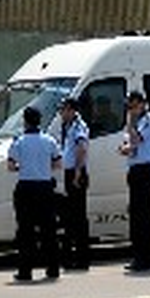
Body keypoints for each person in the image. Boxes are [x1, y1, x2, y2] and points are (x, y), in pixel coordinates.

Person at [7, 105, 61, 282]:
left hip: (26, 186)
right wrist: (43, 166)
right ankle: (53, 268)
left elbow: (11, 166)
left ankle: (25, 270)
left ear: (25, 122)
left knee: (25, 230)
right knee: (49, 229)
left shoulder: (19, 141)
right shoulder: (49, 140)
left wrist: (23, 166)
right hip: (45, 187)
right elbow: (57, 164)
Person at [119, 90, 150, 273]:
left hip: (145, 169)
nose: (132, 110)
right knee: (139, 213)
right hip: (135, 169)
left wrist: (130, 123)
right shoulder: (135, 122)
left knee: (141, 214)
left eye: (134, 106)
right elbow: (130, 144)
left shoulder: (149, 121)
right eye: (129, 106)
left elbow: (137, 139)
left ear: (143, 104)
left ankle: (144, 258)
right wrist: (125, 148)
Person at [58, 95, 90, 270]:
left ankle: (82, 258)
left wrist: (77, 173)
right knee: (71, 215)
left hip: (77, 172)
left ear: (71, 110)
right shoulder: (68, 126)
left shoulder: (78, 126)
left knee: (78, 216)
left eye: (63, 110)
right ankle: (70, 256)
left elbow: (81, 149)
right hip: (70, 171)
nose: (61, 113)